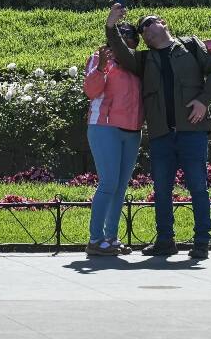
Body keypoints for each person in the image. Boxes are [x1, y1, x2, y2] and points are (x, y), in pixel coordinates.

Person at [105, 3, 211, 259]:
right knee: (161, 190)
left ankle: (202, 241)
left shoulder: (191, 45)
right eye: (141, 29)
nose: (145, 30)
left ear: (163, 22)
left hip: (192, 131)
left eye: (148, 23)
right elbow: (120, 52)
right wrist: (111, 26)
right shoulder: (144, 59)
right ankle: (165, 241)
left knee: (198, 187)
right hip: (161, 135)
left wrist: (204, 100)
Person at [82, 24, 143, 256]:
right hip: (104, 127)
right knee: (108, 183)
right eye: (122, 37)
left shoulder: (138, 63)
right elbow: (90, 91)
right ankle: (95, 239)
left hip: (132, 130)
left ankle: (111, 238)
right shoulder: (100, 58)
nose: (127, 42)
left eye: (131, 39)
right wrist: (100, 68)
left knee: (119, 187)